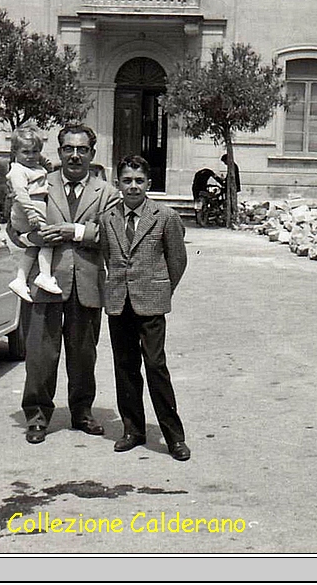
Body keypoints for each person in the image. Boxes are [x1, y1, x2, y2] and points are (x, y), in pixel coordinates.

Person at [19, 123, 121, 444]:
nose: (75, 156)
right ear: (60, 152)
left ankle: (82, 412)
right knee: (40, 354)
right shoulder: (39, 182)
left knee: (83, 355)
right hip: (45, 282)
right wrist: (37, 235)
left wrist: (71, 232)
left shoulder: (106, 192)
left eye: (82, 150)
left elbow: (112, 234)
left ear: (92, 154)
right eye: (68, 149)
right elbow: (17, 228)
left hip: (87, 283)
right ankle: (37, 416)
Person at [100, 155, 190, 461]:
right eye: (127, 180)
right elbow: (107, 257)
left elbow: (177, 260)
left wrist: (161, 289)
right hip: (118, 304)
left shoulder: (164, 216)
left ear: (148, 184)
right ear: (118, 184)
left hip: (151, 305)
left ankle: (174, 437)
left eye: (139, 181)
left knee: (155, 366)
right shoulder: (109, 218)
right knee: (125, 368)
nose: (133, 187)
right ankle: (133, 429)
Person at [5, 128, 62, 301]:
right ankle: (44, 275)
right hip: (28, 207)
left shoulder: (34, 167)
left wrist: (42, 159)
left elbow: (49, 169)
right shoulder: (18, 170)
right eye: (25, 152)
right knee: (47, 239)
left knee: (34, 245)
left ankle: (20, 279)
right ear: (15, 152)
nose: (30, 156)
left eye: (35, 151)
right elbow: (21, 193)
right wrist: (30, 213)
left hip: (34, 205)